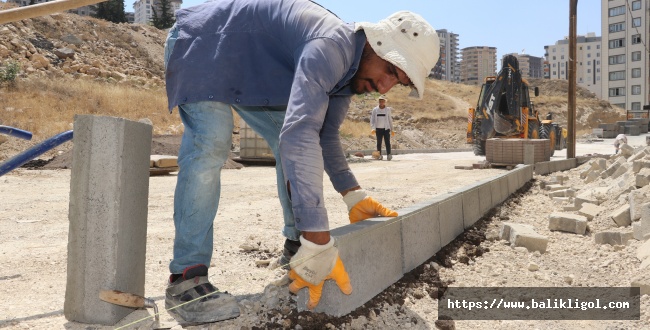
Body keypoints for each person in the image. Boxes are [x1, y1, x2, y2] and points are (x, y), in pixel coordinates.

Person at [163, 0, 439, 323]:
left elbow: (325, 135)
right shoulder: (331, 48)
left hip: (249, 67)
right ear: (375, 43)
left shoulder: (350, 74)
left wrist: (352, 194)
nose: (384, 87)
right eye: (390, 70)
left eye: (399, 82)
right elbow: (301, 133)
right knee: (212, 139)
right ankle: (186, 279)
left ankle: (296, 248)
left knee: (288, 135)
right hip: (204, 41)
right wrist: (318, 237)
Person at [370, 95, 395, 160]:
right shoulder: (375, 110)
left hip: (386, 129)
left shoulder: (387, 110)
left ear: (384, 102)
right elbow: (372, 119)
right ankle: (379, 155)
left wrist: (392, 129)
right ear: (379, 102)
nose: (381, 102)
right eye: (380, 101)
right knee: (379, 143)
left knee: (387, 142)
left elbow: (390, 119)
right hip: (378, 129)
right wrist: (373, 128)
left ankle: (389, 154)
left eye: (382, 101)